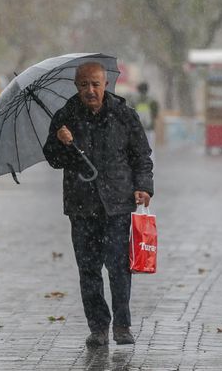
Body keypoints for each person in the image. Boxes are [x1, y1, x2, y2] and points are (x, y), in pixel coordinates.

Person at [43, 62, 154, 347]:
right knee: (88, 269)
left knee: (118, 268)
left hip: (118, 204)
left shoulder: (124, 116)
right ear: (77, 86)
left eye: (95, 84)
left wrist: (143, 186)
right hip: (81, 206)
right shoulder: (65, 117)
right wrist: (61, 142)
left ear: (105, 84)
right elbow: (54, 159)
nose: (90, 90)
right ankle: (98, 327)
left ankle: (122, 325)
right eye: (84, 85)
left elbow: (141, 155)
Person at [132, 82, 159, 149]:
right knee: (150, 148)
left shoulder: (134, 100)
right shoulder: (152, 100)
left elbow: (131, 114)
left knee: (139, 148)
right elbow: (155, 114)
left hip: (138, 128)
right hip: (149, 128)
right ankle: (150, 159)